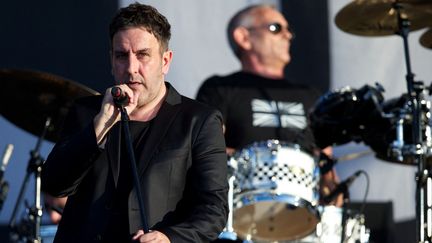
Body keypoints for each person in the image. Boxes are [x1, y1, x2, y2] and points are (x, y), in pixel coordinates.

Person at [41, 3, 228, 243]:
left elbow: (213, 208)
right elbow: (54, 184)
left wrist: (169, 237)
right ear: (111, 60)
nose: (131, 68)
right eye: (121, 55)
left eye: (143, 55)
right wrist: (100, 127)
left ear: (165, 61)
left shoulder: (198, 121)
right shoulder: (87, 113)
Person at [196, 4, 342, 239]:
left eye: (288, 30)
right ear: (243, 37)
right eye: (276, 28)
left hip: (303, 219)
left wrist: (333, 195)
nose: (288, 35)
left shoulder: (310, 95)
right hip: (241, 217)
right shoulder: (220, 89)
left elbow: (327, 166)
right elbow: (206, 151)